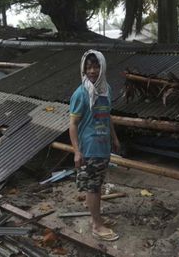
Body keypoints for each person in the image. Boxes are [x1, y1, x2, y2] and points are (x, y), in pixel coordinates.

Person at [69, 49, 120, 241]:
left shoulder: (106, 89)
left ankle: (95, 219)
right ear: (84, 69)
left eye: (96, 66)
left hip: (103, 146)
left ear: (102, 67)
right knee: (93, 187)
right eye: (88, 67)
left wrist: (114, 138)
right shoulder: (80, 93)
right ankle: (97, 225)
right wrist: (76, 151)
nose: (92, 71)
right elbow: (73, 124)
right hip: (89, 148)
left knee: (97, 184)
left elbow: (108, 116)